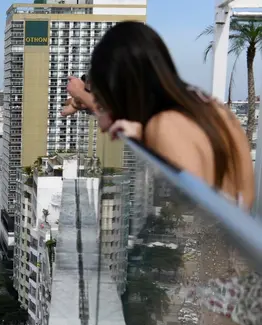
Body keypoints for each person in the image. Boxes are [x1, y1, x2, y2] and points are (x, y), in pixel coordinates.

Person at [68, 21, 255, 209]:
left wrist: (150, 138)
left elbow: (189, 211)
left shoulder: (164, 126)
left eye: (105, 99)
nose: (102, 127)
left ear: (124, 91)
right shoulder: (209, 106)